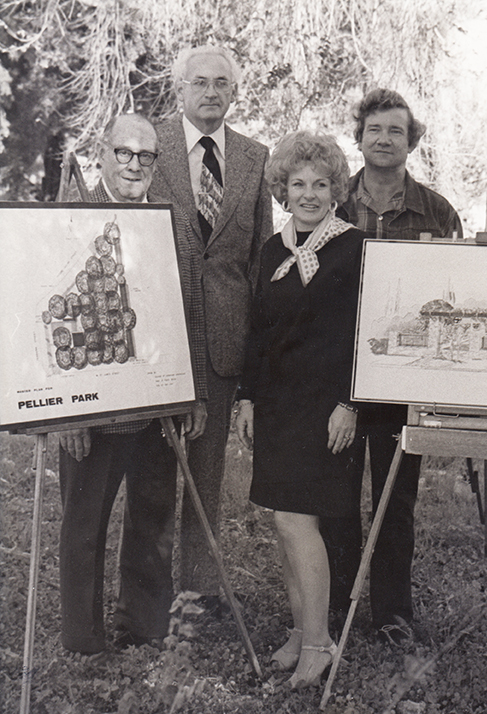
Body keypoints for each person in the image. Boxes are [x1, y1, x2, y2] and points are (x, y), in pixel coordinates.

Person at [57, 113, 208, 653]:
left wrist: (196, 395)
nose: (135, 165)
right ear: (102, 153)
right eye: (124, 153)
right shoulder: (68, 222)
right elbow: (44, 324)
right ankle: (83, 640)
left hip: (158, 405)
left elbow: (192, 313)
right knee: (85, 526)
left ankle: (141, 628)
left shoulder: (173, 224)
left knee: (152, 519)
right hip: (91, 410)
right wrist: (64, 416)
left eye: (146, 156)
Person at [320, 88, 463, 642]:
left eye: (395, 131)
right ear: (359, 137)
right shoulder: (333, 205)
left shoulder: (437, 210)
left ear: (411, 142)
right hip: (339, 375)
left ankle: (392, 612)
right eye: (374, 129)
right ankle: (337, 603)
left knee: (394, 498)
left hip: (406, 379)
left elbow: (452, 292)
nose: (383, 139)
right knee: (336, 492)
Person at [235, 131, 365, 687]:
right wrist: (246, 397)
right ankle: (299, 630)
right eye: (298, 184)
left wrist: (350, 404)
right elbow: (257, 333)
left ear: (335, 189)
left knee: (297, 520)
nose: (309, 193)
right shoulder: (271, 251)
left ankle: (318, 643)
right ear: (282, 190)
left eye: (320, 184)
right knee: (284, 523)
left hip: (326, 410)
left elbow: (363, 338)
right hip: (278, 406)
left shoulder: (354, 247)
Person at [150, 45, 273, 602]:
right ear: (179, 90)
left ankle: (197, 596)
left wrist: (254, 359)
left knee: (206, 476)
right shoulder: (152, 146)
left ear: (235, 92)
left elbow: (259, 263)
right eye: (199, 82)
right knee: (153, 473)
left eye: (222, 83)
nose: (211, 92)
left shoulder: (254, 157)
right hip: (160, 337)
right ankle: (147, 599)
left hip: (225, 341)